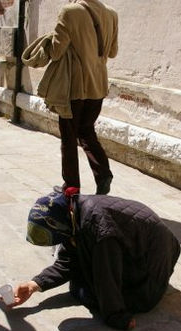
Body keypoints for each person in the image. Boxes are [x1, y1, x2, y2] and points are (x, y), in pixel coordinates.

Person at [8, 188, 181, 331]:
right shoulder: (74, 214)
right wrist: (35, 284)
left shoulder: (98, 228)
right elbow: (68, 261)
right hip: (141, 248)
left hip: (154, 264)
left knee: (82, 290)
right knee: (80, 279)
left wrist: (117, 317)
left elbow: (107, 276)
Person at [51, 0, 118, 195]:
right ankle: (103, 173)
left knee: (69, 136)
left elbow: (56, 52)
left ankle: (71, 186)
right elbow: (112, 52)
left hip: (75, 86)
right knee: (87, 131)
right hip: (98, 85)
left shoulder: (69, 11)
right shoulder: (111, 14)